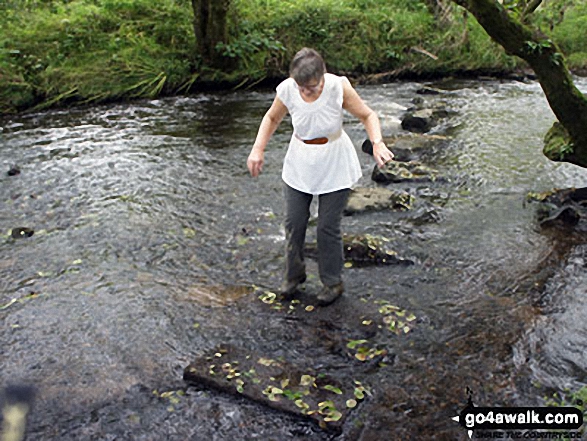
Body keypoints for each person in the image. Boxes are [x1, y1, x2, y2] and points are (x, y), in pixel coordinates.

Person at [247, 48, 394, 306]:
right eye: (301, 87)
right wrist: (258, 149)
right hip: (300, 160)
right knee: (294, 222)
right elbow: (272, 117)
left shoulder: (339, 87)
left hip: (334, 160)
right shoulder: (288, 89)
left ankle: (332, 282)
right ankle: (294, 277)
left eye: (311, 88)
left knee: (327, 226)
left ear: (323, 77)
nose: (305, 92)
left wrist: (378, 142)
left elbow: (367, 115)